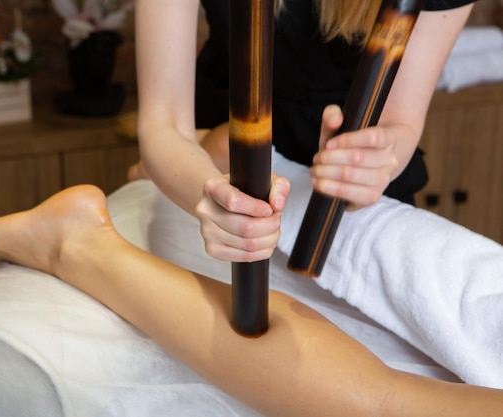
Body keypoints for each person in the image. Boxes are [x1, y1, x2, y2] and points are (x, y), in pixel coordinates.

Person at [0, 184, 503, 417]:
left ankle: (79, 243)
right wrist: (206, 181)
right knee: (390, 403)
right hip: (242, 179)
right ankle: (78, 244)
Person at [134, 0, 475, 263]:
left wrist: (368, 167)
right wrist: (206, 191)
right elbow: (163, 121)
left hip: (359, 158)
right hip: (223, 139)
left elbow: (398, 120)